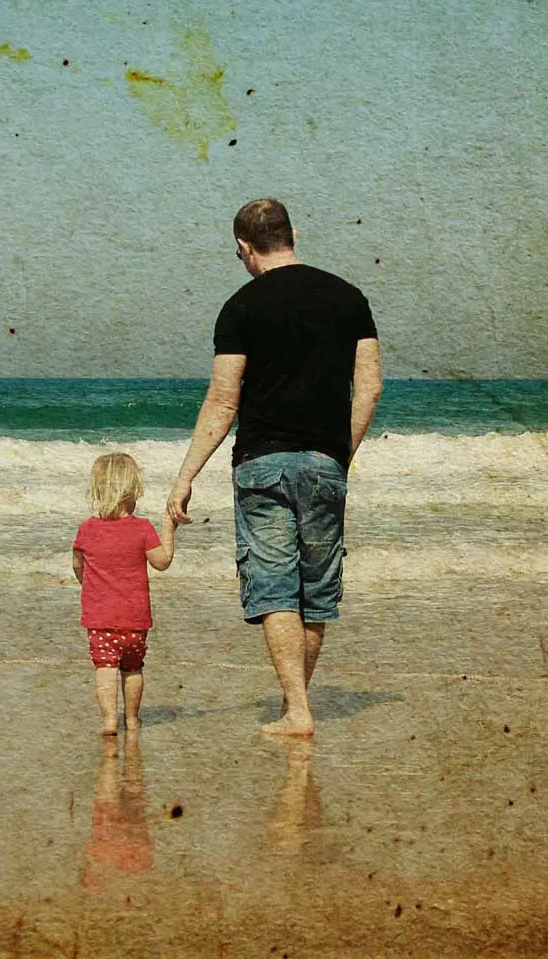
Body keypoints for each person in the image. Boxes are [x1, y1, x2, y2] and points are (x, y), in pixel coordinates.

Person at [166, 198, 382, 737]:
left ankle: (298, 710)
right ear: (293, 234)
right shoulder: (349, 297)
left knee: (275, 588)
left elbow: (223, 401)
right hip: (326, 463)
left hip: (261, 463)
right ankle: (296, 705)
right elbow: (370, 387)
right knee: (313, 591)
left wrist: (185, 477)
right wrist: (340, 453)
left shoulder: (240, 307)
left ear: (245, 246)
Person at [73, 452, 177, 734]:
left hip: (100, 618)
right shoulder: (143, 528)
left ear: (97, 489)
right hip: (135, 619)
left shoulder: (87, 529)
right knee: (133, 668)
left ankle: (109, 720)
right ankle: (132, 718)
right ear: (133, 490)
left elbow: (78, 566)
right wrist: (169, 528)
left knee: (105, 667)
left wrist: (91, 587)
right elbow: (162, 562)